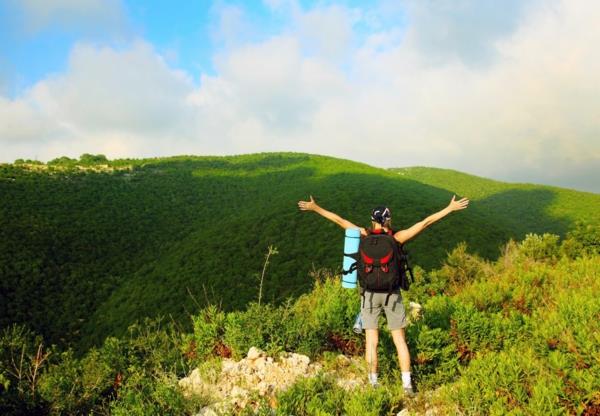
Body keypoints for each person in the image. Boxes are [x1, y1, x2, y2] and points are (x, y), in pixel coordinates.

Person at [297, 195, 469, 395]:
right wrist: (449, 208)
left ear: (372, 221)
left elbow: (339, 220)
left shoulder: (363, 234)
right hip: (392, 295)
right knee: (399, 340)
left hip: (369, 295)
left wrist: (315, 207)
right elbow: (425, 223)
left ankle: (373, 384)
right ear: (388, 220)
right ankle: (407, 386)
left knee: (371, 341)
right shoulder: (397, 238)